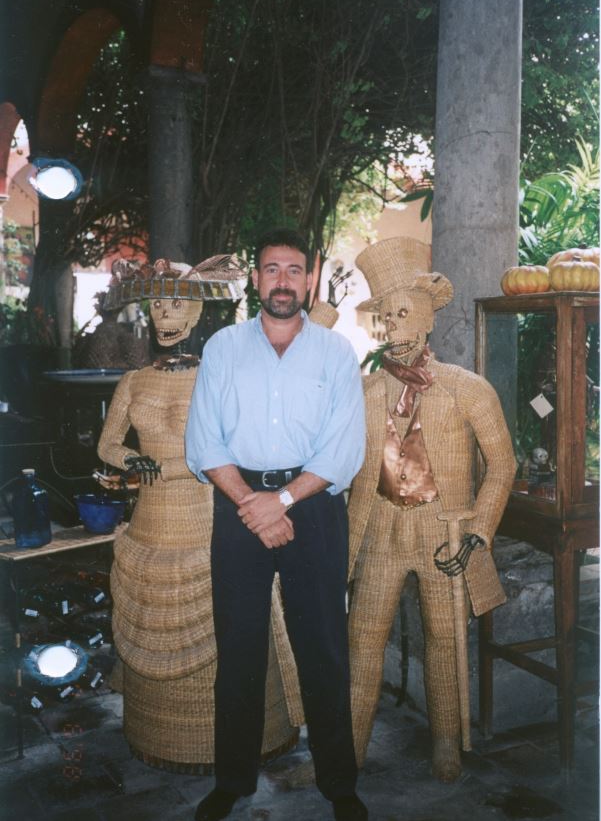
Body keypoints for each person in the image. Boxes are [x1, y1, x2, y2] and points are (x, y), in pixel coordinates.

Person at [185, 229, 368, 821]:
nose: (283, 280)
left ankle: (339, 782)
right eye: (272, 269)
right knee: (238, 648)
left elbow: (344, 449)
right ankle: (232, 781)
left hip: (312, 507)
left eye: (294, 269)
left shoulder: (336, 354)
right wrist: (253, 503)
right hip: (238, 501)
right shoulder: (221, 348)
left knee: (323, 648)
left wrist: (282, 500)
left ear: (309, 279)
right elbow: (204, 441)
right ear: (255, 279)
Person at [97, 256, 302, 772]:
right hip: (152, 523)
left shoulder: (220, 374)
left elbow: (245, 447)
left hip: (210, 517)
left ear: (193, 315)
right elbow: (107, 445)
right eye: (159, 304)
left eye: (177, 304)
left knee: (230, 619)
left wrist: (177, 466)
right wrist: (131, 459)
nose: (166, 314)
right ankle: (158, 734)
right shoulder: (134, 381)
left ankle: (245, 740)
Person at [347, 237, 516, 783]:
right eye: (383, 317)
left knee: (445, 640)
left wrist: (478, 534)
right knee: (362, 640)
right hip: (379, 528)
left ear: (423, 318)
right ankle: (346, 751)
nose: (393, 328)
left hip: (444, 530)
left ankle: (446, 742)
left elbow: (503, 465)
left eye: (402, 314)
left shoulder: (467, 389)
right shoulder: (363, 391)